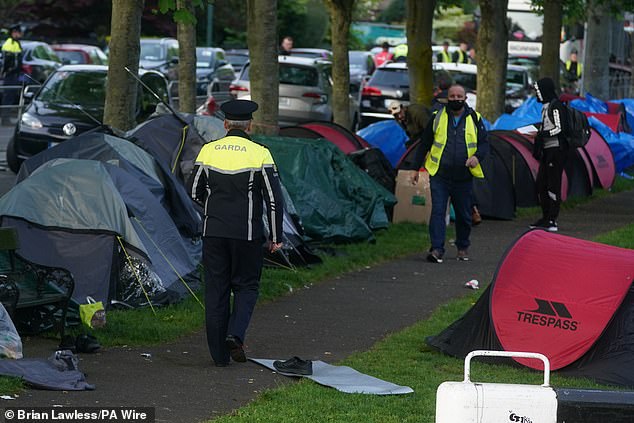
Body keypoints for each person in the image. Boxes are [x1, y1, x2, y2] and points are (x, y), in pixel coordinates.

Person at [187, 99, 285, 367]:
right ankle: (235, 334)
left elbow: (193, 191)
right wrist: (276, 237)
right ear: (249, 125)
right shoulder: (260, 153)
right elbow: (275, 200)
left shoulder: (208, 151)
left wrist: (213, 207)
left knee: (216, 290)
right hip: (248, 233)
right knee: (247, 286)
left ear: (226, 124)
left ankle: (219, 357)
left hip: (214, 231)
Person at [409, 84, 489, 263]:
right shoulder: (437, 118)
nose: (455, 99)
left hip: (464, 176)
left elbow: (484, 144)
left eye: (459, 96)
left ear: (465, 98)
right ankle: (437, 249)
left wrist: (477, 157)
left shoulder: (475, 118)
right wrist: (415, 168)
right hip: (440, 175)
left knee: (463, 214)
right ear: (447, 98)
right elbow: (424, 144)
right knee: (438, 211)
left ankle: (462, 247)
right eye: (452, 96)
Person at [530, 77, 569, 233]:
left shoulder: (555, 106)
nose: (536, 94)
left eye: (538, 91)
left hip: (556, 150)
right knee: (541, 184)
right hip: (547, 150)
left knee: (553, 184)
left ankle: (552, 219)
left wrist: (541, 135)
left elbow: (559, 128)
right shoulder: (546, 107)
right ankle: (545, 217)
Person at [1, 25, 23, 125]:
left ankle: (6, 119)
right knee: (8, 97)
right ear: (14, 33)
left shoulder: (16, 43)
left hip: (14, 74)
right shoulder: (10, 43)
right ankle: (5, 120)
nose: (20, 34)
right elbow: (7, 61)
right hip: (11, 75)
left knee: (11, 96)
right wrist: (9, 70)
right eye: (18, 32)